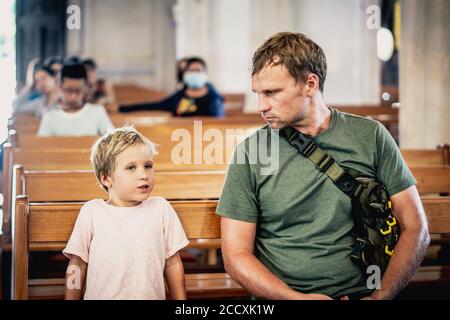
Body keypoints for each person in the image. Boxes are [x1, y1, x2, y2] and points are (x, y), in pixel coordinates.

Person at [216, 32, 430, 300]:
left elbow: (415, 227)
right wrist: (296, 299)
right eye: (258, 93)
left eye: (271, 92)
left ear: (310, 84)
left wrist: (382, 295)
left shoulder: (370, 136)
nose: (261, 106)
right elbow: (236, 254)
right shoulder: (251, 152)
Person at [63, 126, 189, 299]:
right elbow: (77, 265)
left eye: (148, 166)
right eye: (131, 168)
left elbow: (173, 263)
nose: (143, 174)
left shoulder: (161, 208)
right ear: (106, 178)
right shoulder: (92, 211)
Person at [118, 57, 225, 117]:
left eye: (198, 71)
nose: (194, 74)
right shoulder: (178, 97)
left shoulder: (214, 98)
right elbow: (153, 106)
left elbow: (219, 122)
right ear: (185, 74)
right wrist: (121, 108)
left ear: (205, 74)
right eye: (191, 71)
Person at [37, 62, 113, 136]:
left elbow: (113, 141)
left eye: (78, 91)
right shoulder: (50, 116)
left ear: (85, 87)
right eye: (68, 90)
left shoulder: (98, 112)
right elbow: (41, 145)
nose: (73, 96)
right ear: (60, 86)